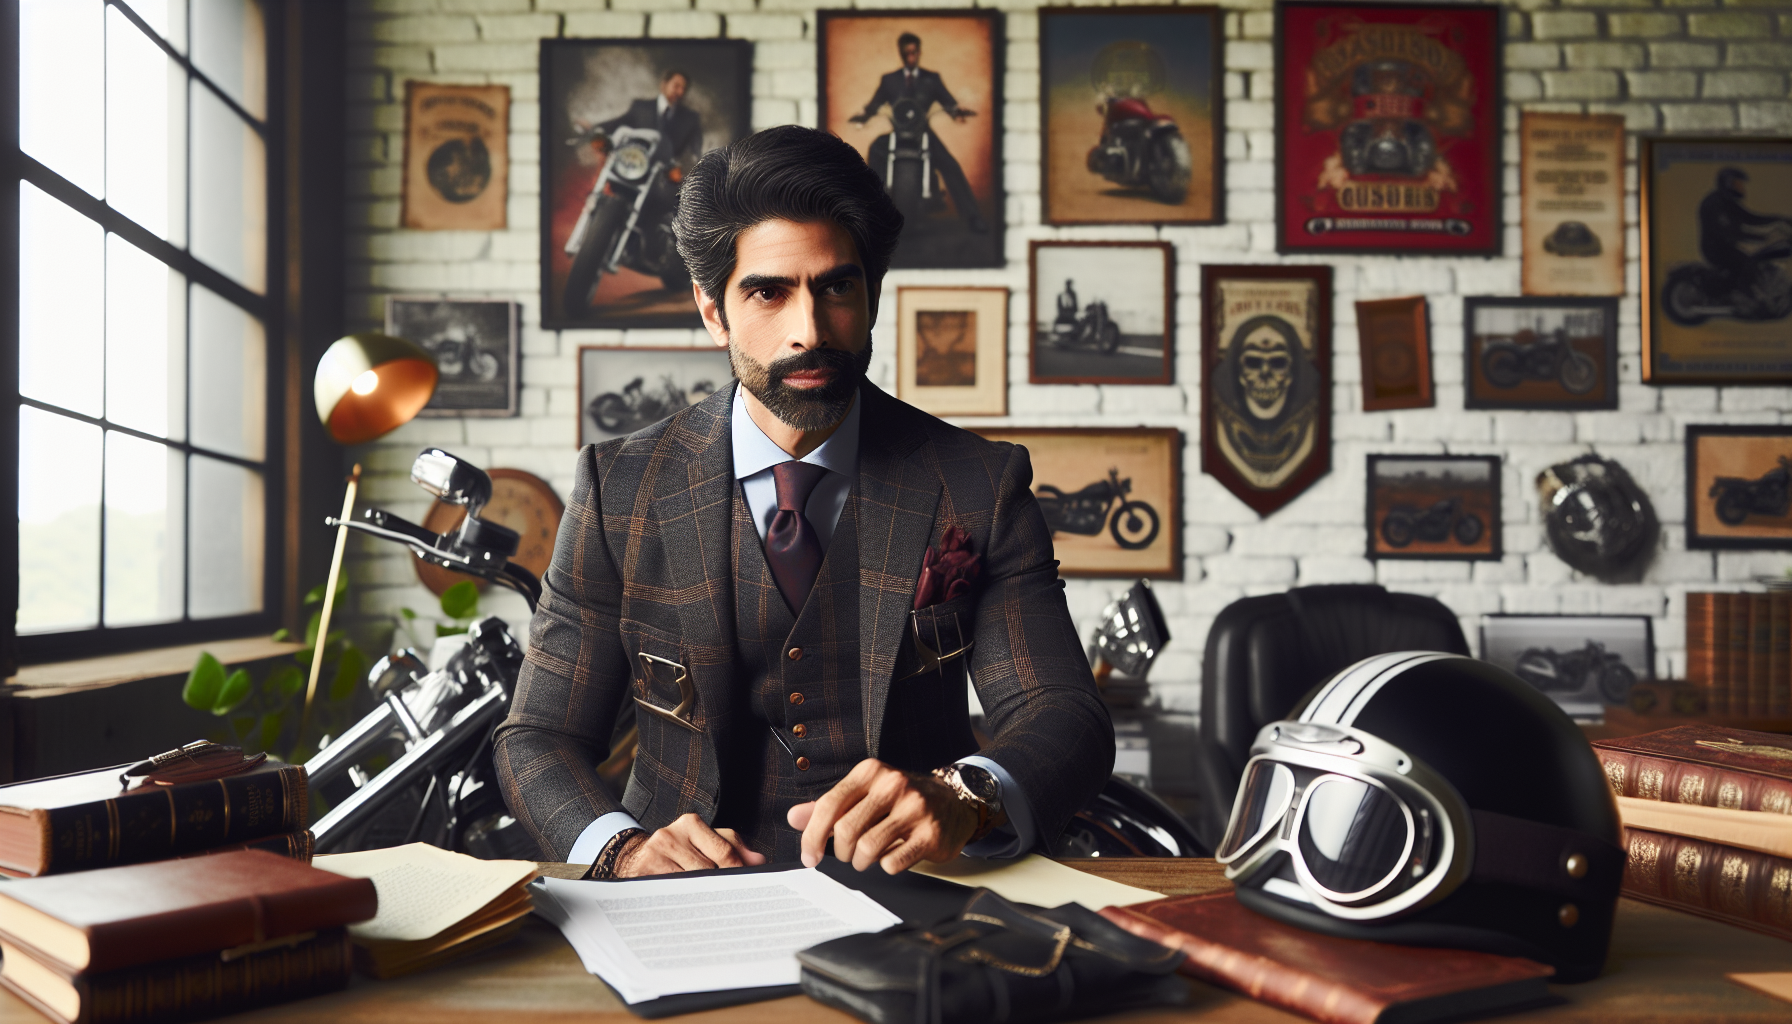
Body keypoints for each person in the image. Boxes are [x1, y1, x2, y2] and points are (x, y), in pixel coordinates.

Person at [494, 125, 1112, 879]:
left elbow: (1065, 716)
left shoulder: (978, 482)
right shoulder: (619, 487)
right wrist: (620, 848)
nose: (809, 330)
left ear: (872, 294)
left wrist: (966, 796)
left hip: (918, 899)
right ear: (712, 308)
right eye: (768, 291)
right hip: (679, 908)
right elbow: (537, 737)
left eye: (836, 287)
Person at [849, 33, 988, 234]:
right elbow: (874, 104)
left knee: (950, 164)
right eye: (907, 53)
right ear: (901, 53)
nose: (911, 57)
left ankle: (973, 217)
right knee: (876, 149)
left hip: (923, 134)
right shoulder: (889, 80)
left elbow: (948, 102)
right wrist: (864, 116)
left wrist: (957, 112)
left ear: (919, 52)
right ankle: (871, 214)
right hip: (897, 133)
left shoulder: (932, 79)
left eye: (914, 52)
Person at [1698, 167, 1792, 293]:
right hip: (1715, 250)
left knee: (1755, 263)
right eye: (1737, 184)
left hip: (1725, 247)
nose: (1741, 188)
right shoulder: (1714, 203)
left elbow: (1750, 217)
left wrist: (1778, 219)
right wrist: (1762, 238)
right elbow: (1729, 232)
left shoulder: (1728, 202)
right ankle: (1743, 299)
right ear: (1727, 183)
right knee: (1748, 266)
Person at [597, 68, 703, 167]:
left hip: (665, 174)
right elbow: (618, 123)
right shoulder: (640, 107)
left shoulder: (690, 119)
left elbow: (696, 149)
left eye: (683, 89)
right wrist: (594, 128)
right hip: (633, 164)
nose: (680, 92)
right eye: (676, 86)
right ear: (664, 84)